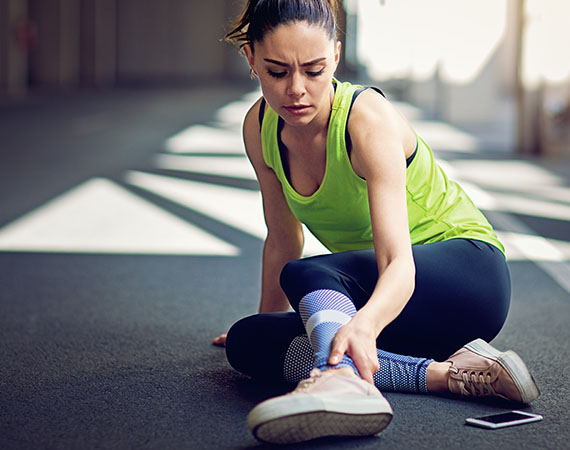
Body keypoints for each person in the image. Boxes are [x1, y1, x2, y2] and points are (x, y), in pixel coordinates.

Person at [216, 0, 540, 444]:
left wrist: (364, 325)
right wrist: (270, 318)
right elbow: (283, 235)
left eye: (313, 70)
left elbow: (398, 265)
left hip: (468, 275)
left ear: (335, 54)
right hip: (399, 305)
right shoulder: (259, 127)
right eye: (277, 71)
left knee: (310, 273)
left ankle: (340, 381)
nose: (297, 89)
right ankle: (451, 375)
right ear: (251, 59)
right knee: (249, 341)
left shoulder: (366, 120)